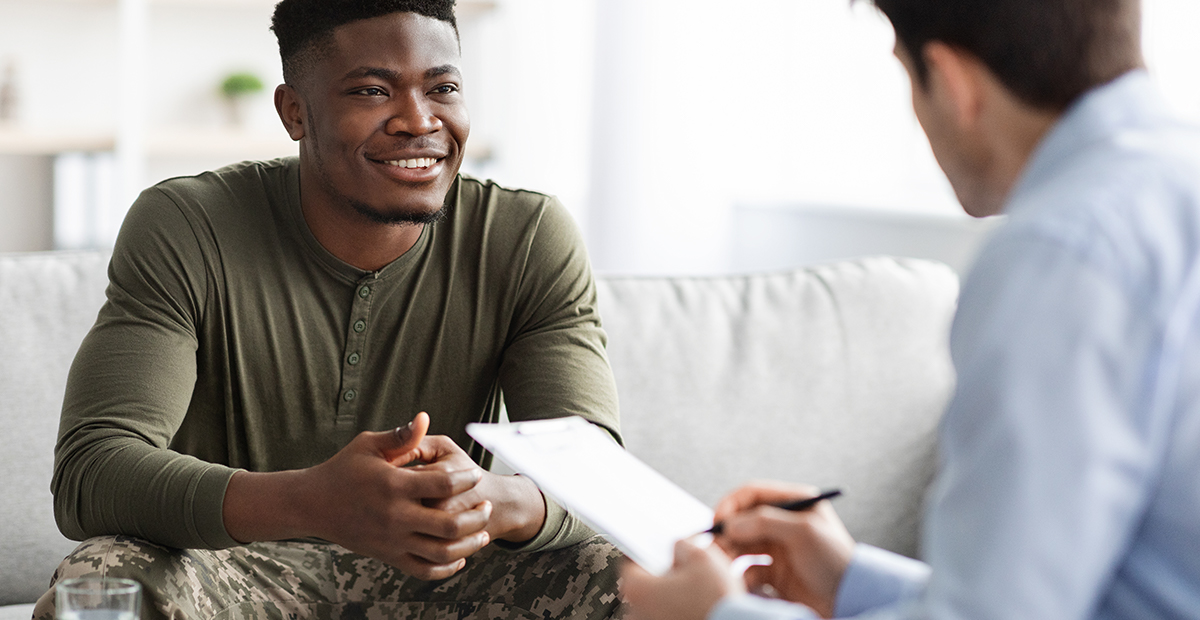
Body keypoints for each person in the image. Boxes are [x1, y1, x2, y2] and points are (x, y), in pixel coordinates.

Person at [33, 1, 626, 618]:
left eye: (443, 87)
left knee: (630, 576)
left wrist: (487, 500)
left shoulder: (526, 236)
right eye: (372, 91)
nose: (418, 120)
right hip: (232, 570)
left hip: (445, 577)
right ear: (294, 112)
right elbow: (93, 471)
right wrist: (315, 500)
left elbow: (597, 478)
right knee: (105, 576)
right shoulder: (187, 224)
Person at [621, 0, 1200, 618]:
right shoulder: (1169, 188)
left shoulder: (1058, 253)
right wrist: (850, 581)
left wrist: (714, 614)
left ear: (951, 81)